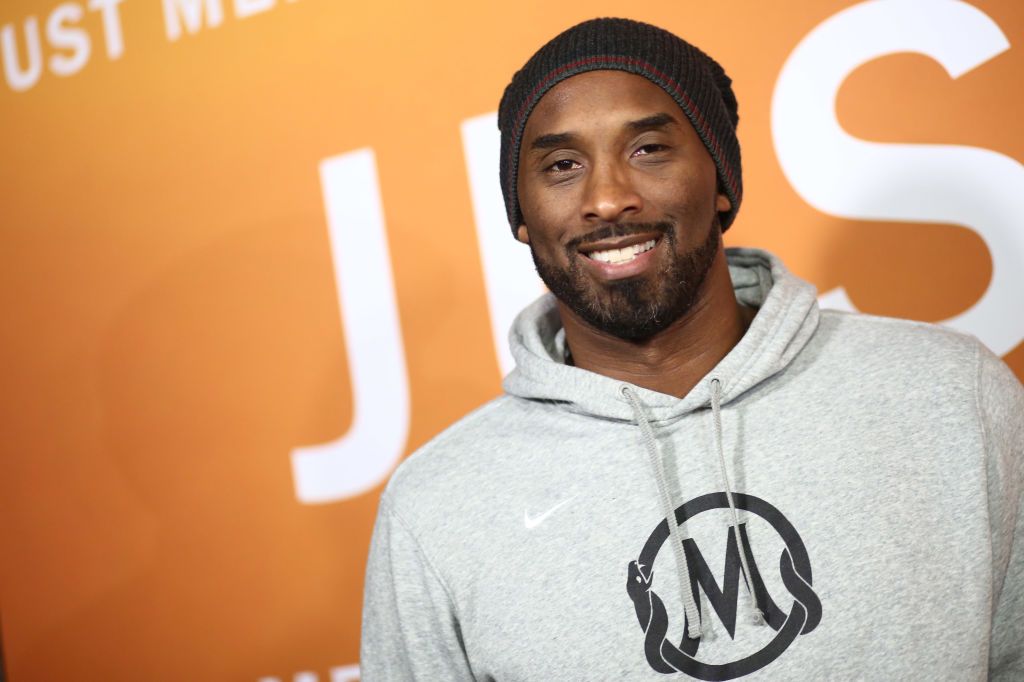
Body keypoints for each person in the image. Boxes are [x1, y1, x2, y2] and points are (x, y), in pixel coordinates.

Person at [360, 17, 1023, 681]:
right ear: (523, 216)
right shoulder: (437, 506)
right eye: (562, 165)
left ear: (722, 180)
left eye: (648, 149)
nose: (608, 199)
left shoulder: (949, 394)